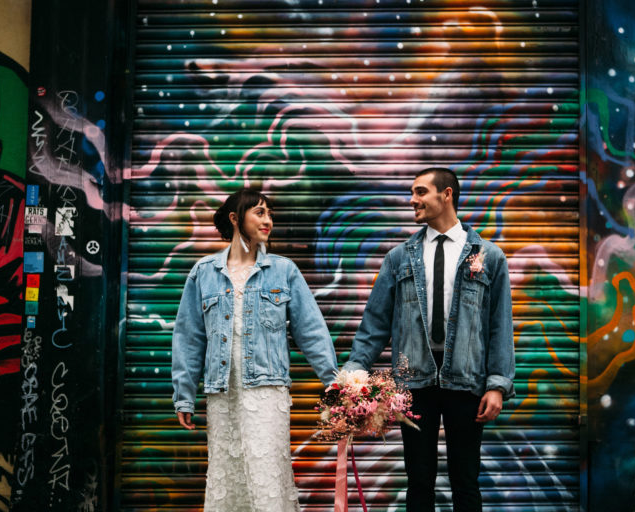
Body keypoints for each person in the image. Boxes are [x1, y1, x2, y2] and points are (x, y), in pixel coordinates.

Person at [343, 168, 515, 511]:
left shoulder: (488, 256)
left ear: (446, 195)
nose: (413, 200)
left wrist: (497, 384)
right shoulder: (399, 257)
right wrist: (355, 371)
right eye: (412, 193)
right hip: (414, 383)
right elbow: (376, 322)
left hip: (467, 381)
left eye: (421, 192)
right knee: (419, 482)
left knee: (466, 481)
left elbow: (499, 325)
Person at [172, 189, 338, 512]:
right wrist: (184, 393)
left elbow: (312, 331)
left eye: (269, 214)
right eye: (259, 213)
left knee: (266, 477)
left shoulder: (283, 271)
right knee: (227, 475)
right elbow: (189, 337)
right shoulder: (204, 273)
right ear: (235, 218)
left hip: (267, 393)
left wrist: (333, 381)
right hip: (223, 395)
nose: (268, 221)